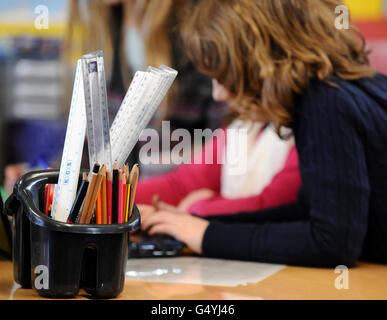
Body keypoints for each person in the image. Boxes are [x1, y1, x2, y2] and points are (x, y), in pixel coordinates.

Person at [140, 0, 387, 267]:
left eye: (224, 76)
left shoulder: (326, 103)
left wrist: (205, 234)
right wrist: (196, 224)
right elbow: (310, 214)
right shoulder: (358, 86)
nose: (218, 94)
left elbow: (332, 244)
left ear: (263, 59)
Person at [136, 78, 301, 217]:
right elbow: (181, 185)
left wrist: (197, 208)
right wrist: (115, 196)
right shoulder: (243, 125)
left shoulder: (306, 127)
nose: (217, 95)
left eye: (224, 74)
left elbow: (274, 204)